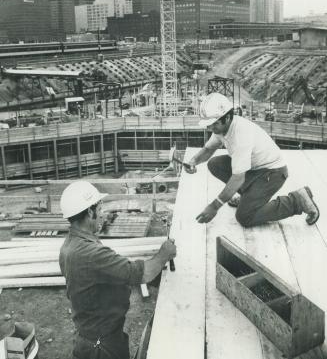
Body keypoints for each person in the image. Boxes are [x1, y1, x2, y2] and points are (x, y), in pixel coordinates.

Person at [59, 181, 176, 359]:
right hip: (102, 346)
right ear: (90, 212)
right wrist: (164, 254)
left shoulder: (71, 245)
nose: (102, 214)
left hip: (91, 335)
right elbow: (139, 274)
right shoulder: (90, 253)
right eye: (99, 209)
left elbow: (108, 274)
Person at [184, 93, 320, 227]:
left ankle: (296, 201)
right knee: (215, 164)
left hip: (273, 173)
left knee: (245, 216)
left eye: (213, 124)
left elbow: (238, 178)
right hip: (255, 169)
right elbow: (208, 149)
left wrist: (214, 206)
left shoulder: (240, 135)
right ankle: (248, 198)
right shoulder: (221, 129)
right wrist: (193, 161)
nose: (210, 128)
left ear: (227, 118)